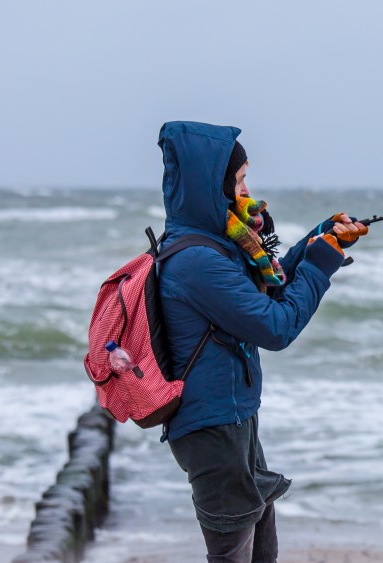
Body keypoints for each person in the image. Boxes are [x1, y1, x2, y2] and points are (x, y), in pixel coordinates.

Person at [156, 121, 367, 562]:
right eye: (239, 179)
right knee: (234, 551)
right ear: (212, 186)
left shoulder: (221, 241)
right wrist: (322, 263)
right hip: (213, 430)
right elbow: (276, 326)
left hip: (235, 418)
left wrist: (320, 237)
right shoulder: (197, 261)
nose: (247, 188)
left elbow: (270, 286)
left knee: (262, 544)